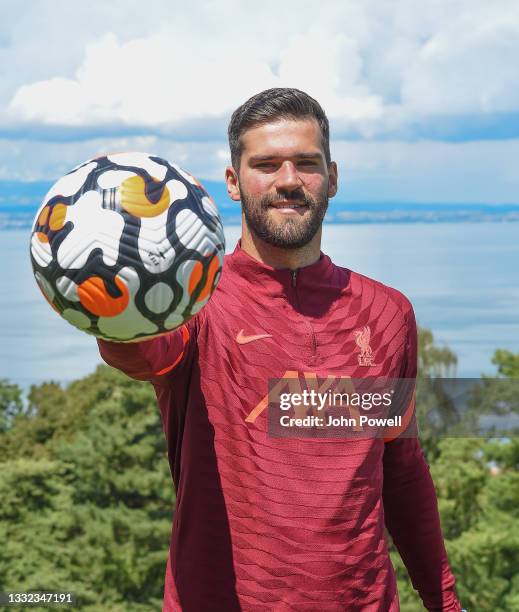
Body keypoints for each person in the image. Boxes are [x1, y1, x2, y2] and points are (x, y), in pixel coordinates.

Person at [97, 88, 463, 611]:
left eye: (306, 164)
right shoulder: (195, 302)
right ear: (233, 181)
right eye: (266, 164)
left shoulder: (386, 313)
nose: (288, 180)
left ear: (332, 178)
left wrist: (444, 603)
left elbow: (401, 470)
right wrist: (110, 305)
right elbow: (139, 354)